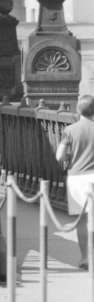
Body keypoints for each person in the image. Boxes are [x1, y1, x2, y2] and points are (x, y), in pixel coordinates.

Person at [58, 95, 94, 264]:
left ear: (78, 109)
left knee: (82, 219)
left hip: (77, 177)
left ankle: (86, 258)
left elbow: (60, 156)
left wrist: (72, 155)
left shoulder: (70, 130)